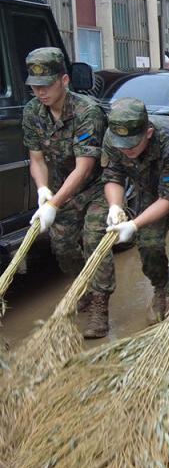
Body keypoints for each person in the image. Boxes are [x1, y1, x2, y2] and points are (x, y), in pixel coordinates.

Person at [21, 47, 110, 338]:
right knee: (62, 246)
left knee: (95, 239)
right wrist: (44, 190)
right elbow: (36, 159)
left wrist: (53, 203)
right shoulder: (33, 112)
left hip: (96, 187)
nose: (40, 92)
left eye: (46, 85)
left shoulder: (88, 112)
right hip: (62, 188)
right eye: (35, 87)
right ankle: (81, 288)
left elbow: (84, 168)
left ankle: (99, 305)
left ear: (65, 80)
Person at [97, 98, 169, 325]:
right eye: (121, 145)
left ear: (149, 133)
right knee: (149, 246)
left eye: (132, 145)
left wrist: (133, 224)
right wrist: (115, 206)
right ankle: (160, 289)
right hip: (149, 191)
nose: (125, 150)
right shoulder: (113, 137)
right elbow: (113, 176)